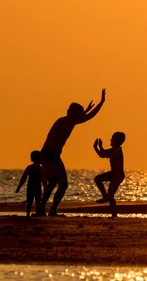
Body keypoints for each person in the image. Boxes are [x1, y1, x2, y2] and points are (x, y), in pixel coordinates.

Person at [39, 88, 106, 216]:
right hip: (50, 155)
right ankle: (50, 210)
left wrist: (85, 111)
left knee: (53, 183)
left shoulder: (65, 120)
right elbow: (88, 117)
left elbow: (83, 117)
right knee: (62, 184)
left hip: (50, 155)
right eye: (79, 113)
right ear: (74, 114)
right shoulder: (67, 121)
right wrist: (102, 102)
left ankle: (44, 210)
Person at [93, 131, 126, 217]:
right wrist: (100, 146)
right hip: (114, 173)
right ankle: (105, 197)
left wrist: (95, 148)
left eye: (113, 139)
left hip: (118, 175)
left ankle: (114, 213)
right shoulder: (114, 150)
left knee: (111, 194)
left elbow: (102, 155)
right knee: (98, 179)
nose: (111, 140)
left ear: (119, 141)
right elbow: (104, 152)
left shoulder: (117, 151)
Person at [15, 150, 47, 217]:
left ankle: (28, 214)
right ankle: (37, 212)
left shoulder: (29, 167)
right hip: (37, 188)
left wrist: (18, 188)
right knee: (38, 202)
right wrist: (46, 188)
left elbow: (23, 179)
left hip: (30, 187)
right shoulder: (41, 168)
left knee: (29, 201)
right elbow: (43, 180)